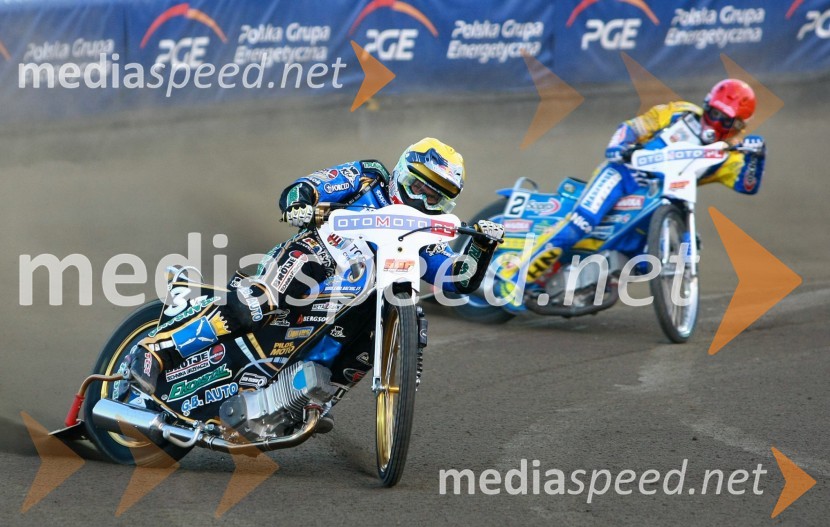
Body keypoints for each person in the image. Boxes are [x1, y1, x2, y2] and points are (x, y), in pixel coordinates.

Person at [125, 138, 504, 431]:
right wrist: (301, 202)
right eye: (419, 188)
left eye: (436, 198)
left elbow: (457, 280)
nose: (423, 200)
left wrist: (482, 244)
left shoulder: (426, 238)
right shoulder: (369, 176)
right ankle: (161, 350)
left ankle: (312, 399)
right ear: (403, 173)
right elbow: (308, 186)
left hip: (348, 306)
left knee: (390, 319)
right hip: (315, 257)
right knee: (259, 301)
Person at [523, 78, 767, 282]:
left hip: (658, 202)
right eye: (712, 112)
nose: (714, 121)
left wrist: (757, 157)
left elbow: (747, 186)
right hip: (623, 174)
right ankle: (516, 276)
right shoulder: (679, 113)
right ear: (706, 104)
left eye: (724, 120)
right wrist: (618, 146)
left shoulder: (729, 156)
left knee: (647, 264)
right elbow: (634, 127)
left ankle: (581, 280)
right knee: (582, 222)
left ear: (737, 126)